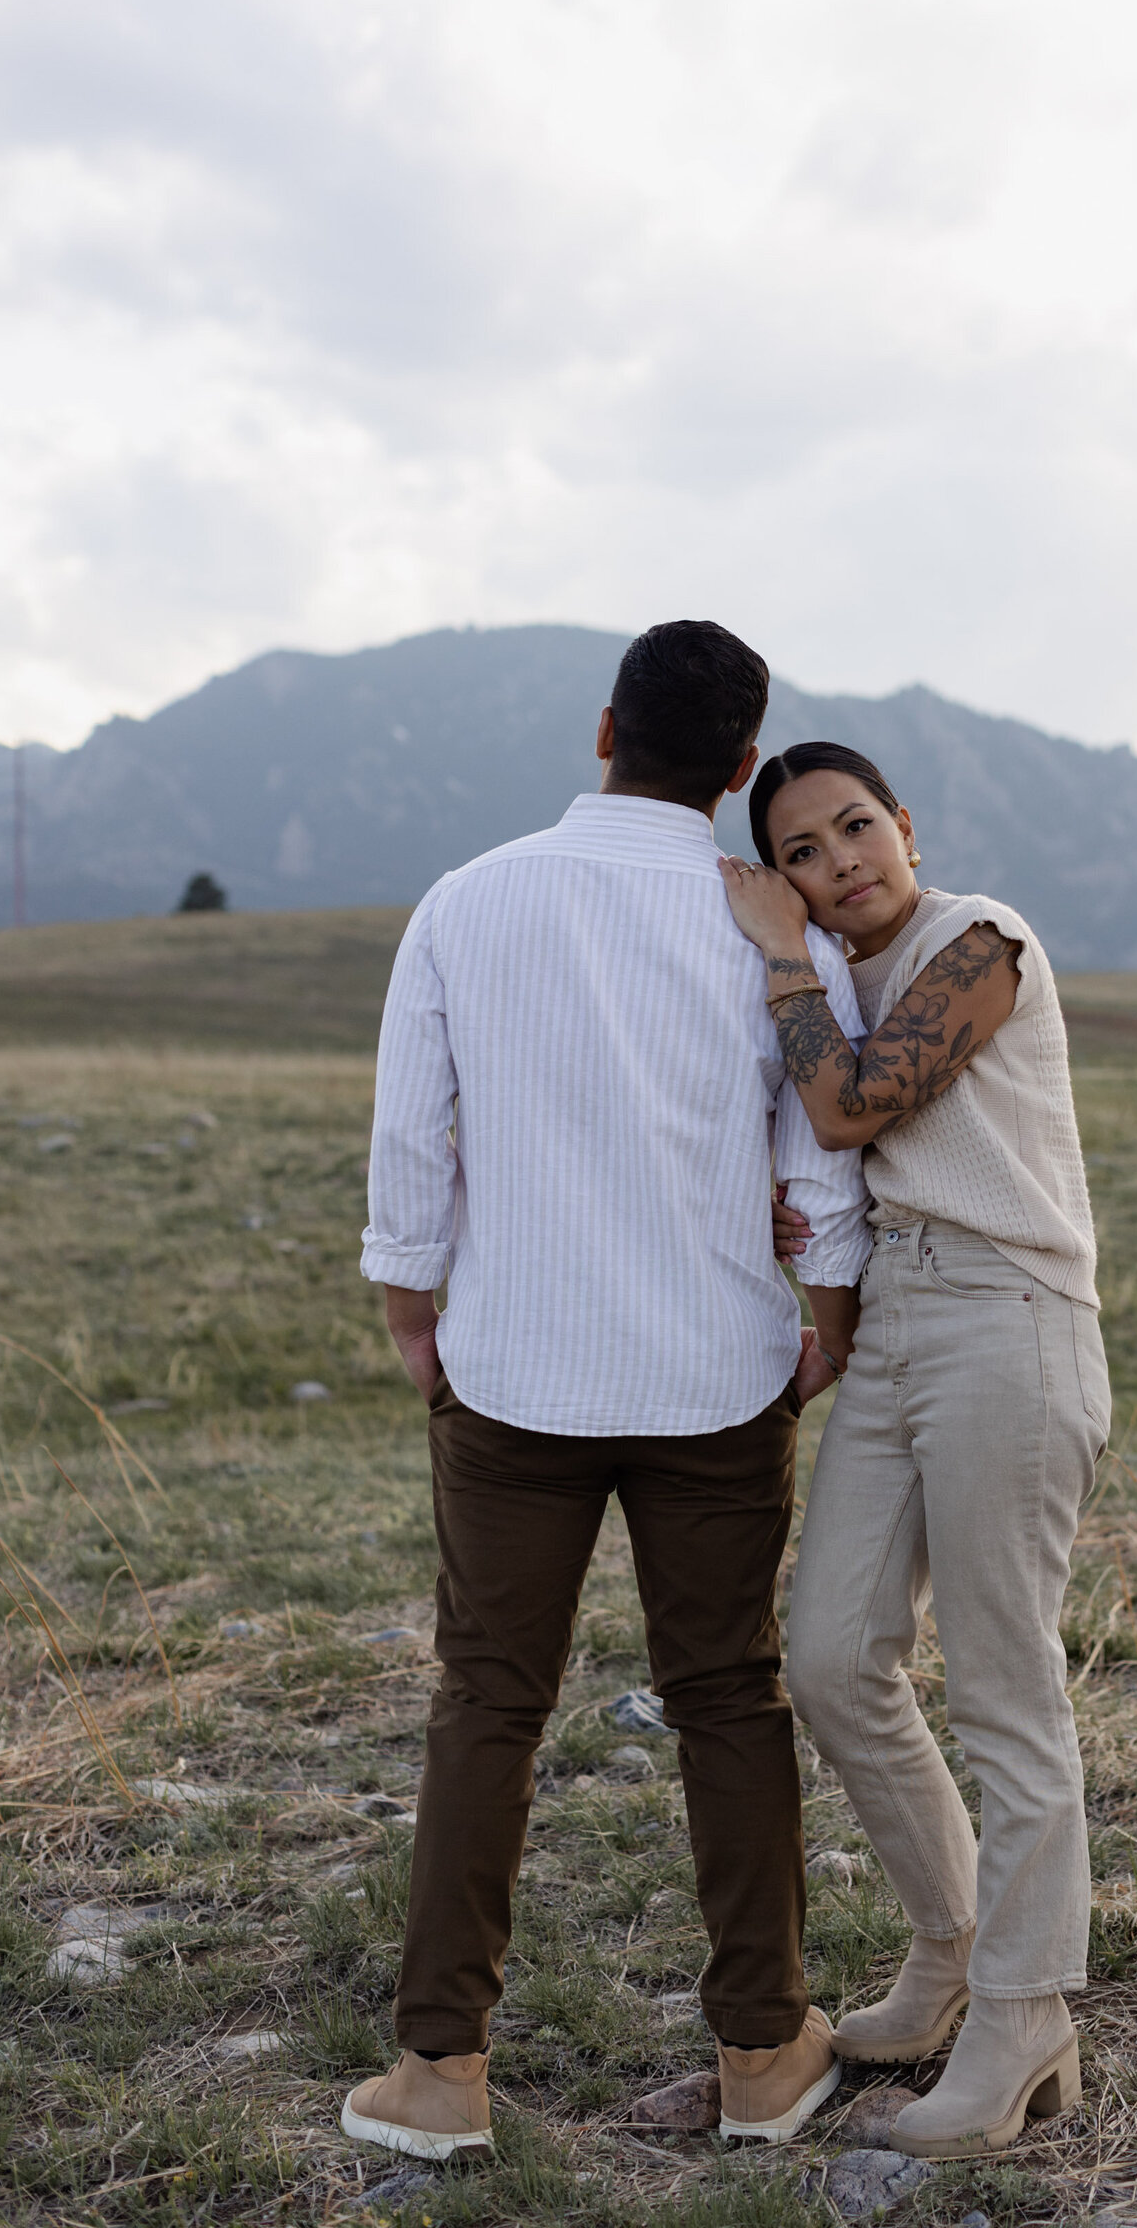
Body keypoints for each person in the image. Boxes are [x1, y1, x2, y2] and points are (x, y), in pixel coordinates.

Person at [344, 628, 871, 2161]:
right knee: (727, 1695)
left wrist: (411, 1315)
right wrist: (821, 1324)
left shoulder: (468, 901)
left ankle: (442, 2075)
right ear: (732, 768)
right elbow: (820, 1163)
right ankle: (768, 2053)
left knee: (487, 1703)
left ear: (601, 731)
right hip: (717, 1378)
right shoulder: (772, 932)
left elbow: (410, 1139)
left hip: (511, 1378)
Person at [719, 741, 1110, 2161]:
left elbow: (849, 1102)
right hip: (893, 1324)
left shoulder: (980, 939)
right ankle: (951, 1956)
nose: (838, 864)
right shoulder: (836, 976)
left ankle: (1023, 2018)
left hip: (1009, 1316)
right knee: (830, 1654)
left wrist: (773, 953)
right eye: (804, 854)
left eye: (855, 828)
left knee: (1009, 1691)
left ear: (907, 828)